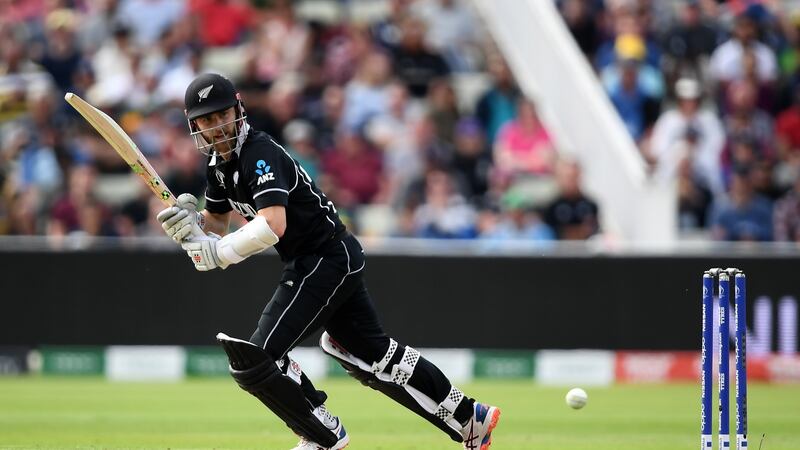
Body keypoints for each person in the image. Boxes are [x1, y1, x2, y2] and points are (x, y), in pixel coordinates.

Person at [155, 73, 500, 450]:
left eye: (222, 114)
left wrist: (217, 253)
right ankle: (470, 417)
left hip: (324, 258)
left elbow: (272, 225)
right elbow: (217, 222)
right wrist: (192, 224)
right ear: (195, 125)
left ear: (238, 109)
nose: (216, 126)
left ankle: (322, 435)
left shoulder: (259, 154)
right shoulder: (219, 167)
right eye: (206, 120)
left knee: (255, 359)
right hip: (326, 258)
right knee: (370, 352)